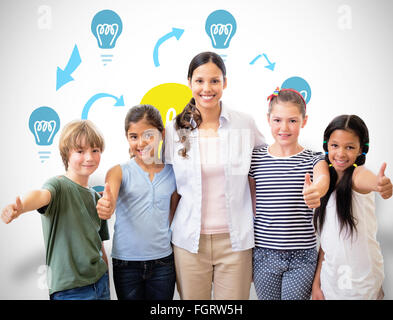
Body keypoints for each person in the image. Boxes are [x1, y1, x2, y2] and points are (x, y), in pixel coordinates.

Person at [164, 51, 266, 300]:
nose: (206, 88)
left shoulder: (244, 123)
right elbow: (169, 188)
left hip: (235, 242)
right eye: (199, 81)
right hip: (189, 242)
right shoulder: (174, 129)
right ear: (189, 82)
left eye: (214, 81)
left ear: (225, 83)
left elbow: (263, 170)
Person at [1, 120, 110, 300]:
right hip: (70, 290)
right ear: (66, 154)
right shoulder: (58, 185)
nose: (89, 157)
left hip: (100, 282)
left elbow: (99, 244)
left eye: (95, 150)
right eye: (80, 151)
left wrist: (105, 274)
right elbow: (41, 196)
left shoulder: (97, 198)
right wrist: (20, 207)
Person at [248, 87, 330, 300]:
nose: (284, 127)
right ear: (268, 119)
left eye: (292, 121)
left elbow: (323, 179)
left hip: (302, 258)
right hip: (264, 254)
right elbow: (248, 201)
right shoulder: (256, 158)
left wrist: (315, 191)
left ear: (304, 120)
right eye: (277, 120)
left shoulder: (314, 159)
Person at [96, 104, 178, 300]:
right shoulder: (118, 171)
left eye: (148, 135)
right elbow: (110, 200)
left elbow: (174, 216)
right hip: (126, 264)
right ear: (127, 138)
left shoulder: (173, 172)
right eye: (134, 136)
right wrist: (106, 206)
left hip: (163, 263)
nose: (141, 143)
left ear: (162, 133)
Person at [311, 114, 392, 300]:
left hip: (363, 285)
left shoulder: (358, 175)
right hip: (331, 283)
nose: (340, 153)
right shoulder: (325, 183)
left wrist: (380, 184)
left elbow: (368, 180)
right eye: (334, 145)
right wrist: (317, 284)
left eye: (349, 147)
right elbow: (327, 243)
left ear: (361, 150)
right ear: (326, 145)